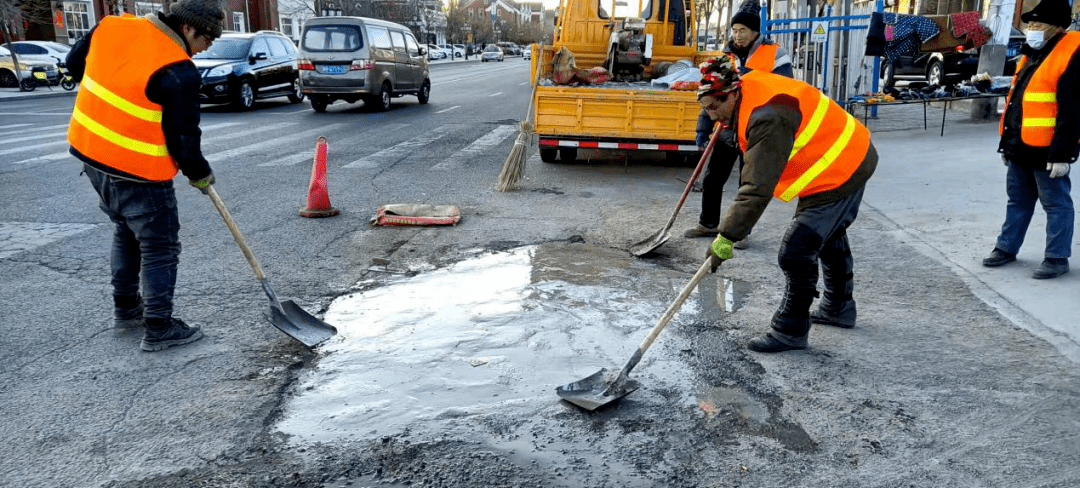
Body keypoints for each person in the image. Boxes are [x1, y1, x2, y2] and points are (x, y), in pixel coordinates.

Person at [66, 0, 224, 352]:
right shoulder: (178, 69)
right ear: (187, 28)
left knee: (125, 228)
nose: (204, 48)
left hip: (91, 152)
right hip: (138, 170)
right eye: (206, 40)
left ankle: (126, 308)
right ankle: (159, 326)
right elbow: (184, 139)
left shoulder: (111, 27)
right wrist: (200, 175)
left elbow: (74, 64)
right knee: (160, 245)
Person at [698, 55, 877, 353]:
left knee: (797, 250)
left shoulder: (767, 115)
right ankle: (838, 308)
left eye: (716, 107)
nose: (713, 116)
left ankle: (790, 330)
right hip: (838, 157)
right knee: (827, 235)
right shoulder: (747, 88)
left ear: (732, 92)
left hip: (842, 165)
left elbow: (756, 189)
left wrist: (726, 237)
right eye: (706, 110)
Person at [684, 0, 793, 250]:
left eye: (742, 30)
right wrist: (703, 127)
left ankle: (740, 233)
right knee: (712, 178)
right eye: (734, 30)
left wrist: (748, 79)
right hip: (727, 128)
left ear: (755, 31)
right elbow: (710, 94)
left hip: (756, 128)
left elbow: (785, 88)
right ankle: (709, 223)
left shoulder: (775, 53)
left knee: (749, 183)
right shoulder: (725, 57)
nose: (738, 35)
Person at [983, 0, 1079, 280]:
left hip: (1048, 150)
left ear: (1058, 28)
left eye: (1038, 24)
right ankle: (1006, 248)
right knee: (1017, 201)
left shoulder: (1071, 54)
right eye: (1030, 24)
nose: (1031, 28)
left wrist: (1064, 154)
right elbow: (1018, 101)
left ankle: (1057, 258)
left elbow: (1072, 110)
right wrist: (1007, 143)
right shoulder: (1032, 53)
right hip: (1020, 145)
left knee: (1056, 204)